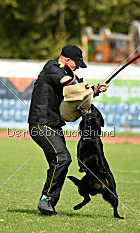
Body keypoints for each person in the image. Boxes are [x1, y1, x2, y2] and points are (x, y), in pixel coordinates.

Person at [28, 45, 109, 215]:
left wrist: (94, 90)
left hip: (53, 124)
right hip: (41, 124)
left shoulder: (63, 72)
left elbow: (75, 93)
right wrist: (85, 87)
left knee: (61, 161)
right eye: (76, 63)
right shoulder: (52, 67)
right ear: (66, 60)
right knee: (62, 158)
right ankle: (46, 200)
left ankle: (47, 203)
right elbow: (69, 83)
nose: (77, 67)